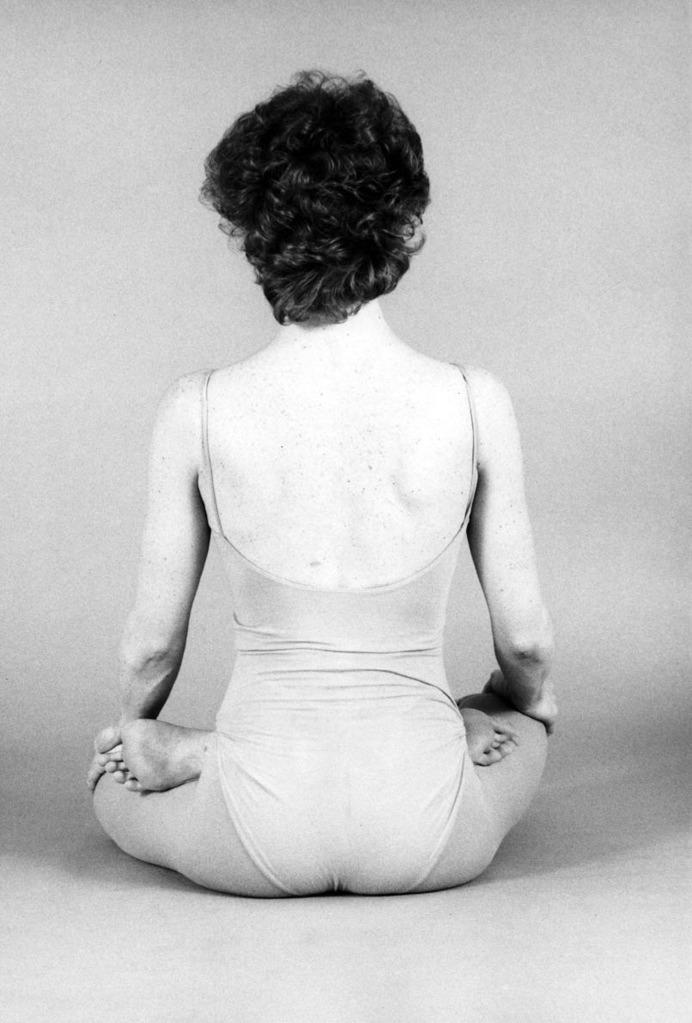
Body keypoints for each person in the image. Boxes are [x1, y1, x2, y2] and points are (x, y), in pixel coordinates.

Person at [88, 71, 556, 897]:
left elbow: (151, 647)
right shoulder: (473, 401)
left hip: (251, 830)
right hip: (432, 832)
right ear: (402, 225)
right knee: (524, 717)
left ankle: (205, 754)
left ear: (253, 232)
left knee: (106, 772)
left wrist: (134, 729)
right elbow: (526, 645)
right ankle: (436, 728)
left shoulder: (196, 409)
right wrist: (517, 702)